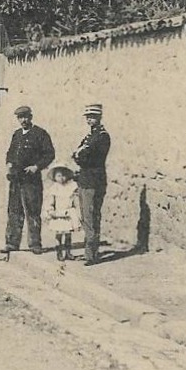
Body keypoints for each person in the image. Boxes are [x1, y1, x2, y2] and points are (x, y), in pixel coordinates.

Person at [1, 105, 55, 256]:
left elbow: (49, 154)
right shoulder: (16, 135)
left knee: (32, 211)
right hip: (16, 179)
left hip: (31, 180)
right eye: (20, 117)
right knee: (14, 211)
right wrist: (9, 163)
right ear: (17, 119)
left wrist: (36, 167)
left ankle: (35, 244)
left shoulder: (40, 134)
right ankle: (11, 243)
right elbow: (10, 153)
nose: (23, 120)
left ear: (31, 117)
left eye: (26, 117)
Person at [72, 103, 111, 266]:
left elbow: (91, 158)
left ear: (99, 117)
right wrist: (79, 155)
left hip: (94, 181)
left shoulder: (102, 137)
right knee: (86, 216)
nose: (89, 119)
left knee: (91, 216)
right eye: (88, 117)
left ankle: (91, 254)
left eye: (93, 116)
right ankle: (91, 251)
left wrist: (79, 156)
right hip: (85, 180)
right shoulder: (89, 137)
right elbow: (77, 154)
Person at [44, 164, 81, 262]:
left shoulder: (71, 188)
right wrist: (50, 210)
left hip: (68, 213)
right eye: (59, 176)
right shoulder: (54, 189)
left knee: (68, 234)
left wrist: (75, 212)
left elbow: (75, 201)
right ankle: (59, 251)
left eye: (63, 175)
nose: (61, 178)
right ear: (55, 177)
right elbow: (50, 202)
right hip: (58, 213)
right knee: (59, 233)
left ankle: (68, 252)